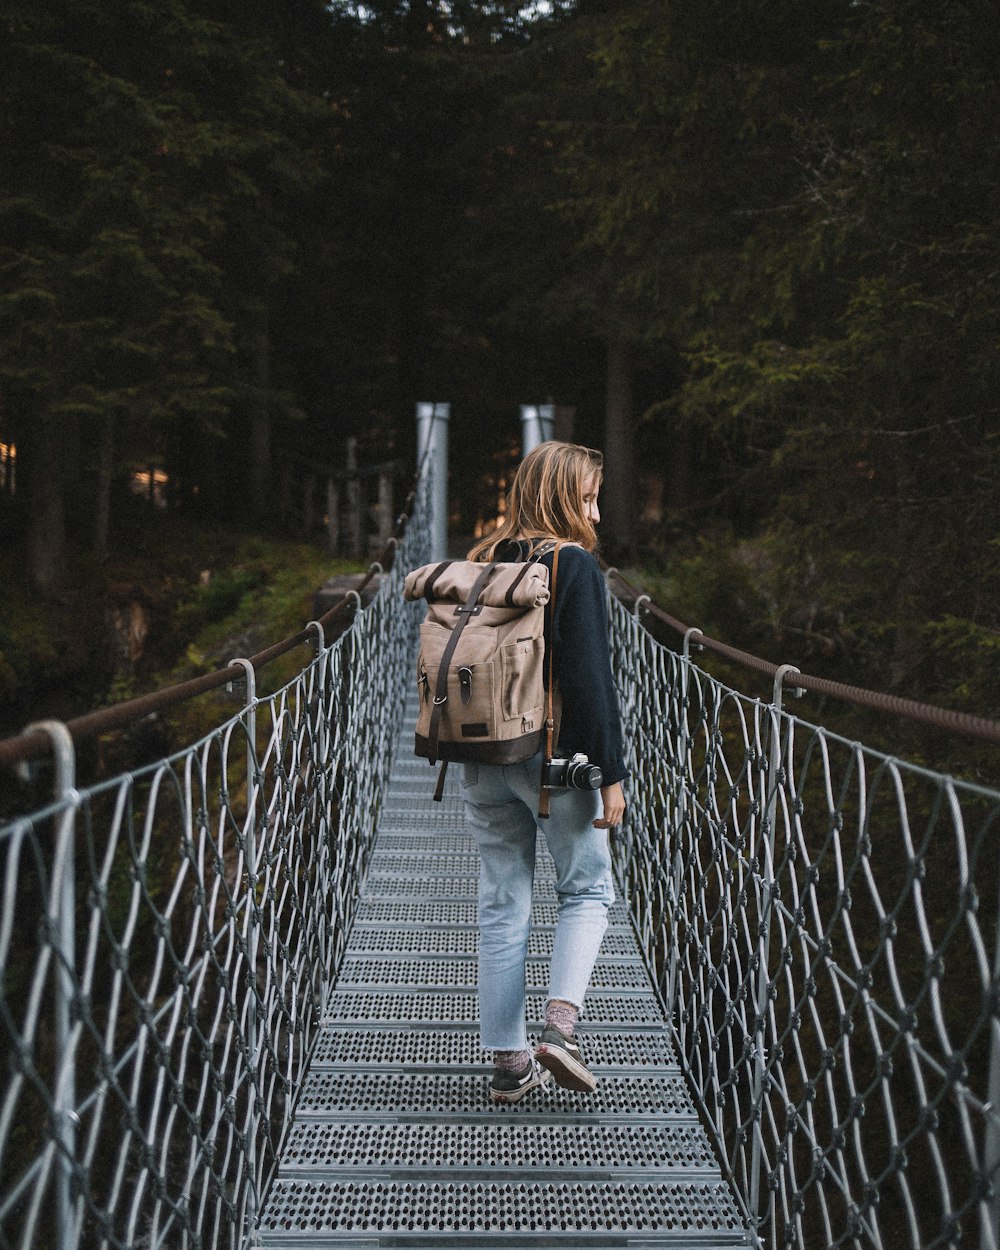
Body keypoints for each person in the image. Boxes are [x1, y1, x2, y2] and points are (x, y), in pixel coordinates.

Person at [463, 440, 628, 1102]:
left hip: (481, 756)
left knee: (503, 899)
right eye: (587, 497)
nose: (595, 511)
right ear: (561, 498)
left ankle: (508, 1063)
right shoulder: (574, 565)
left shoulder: (480, 560)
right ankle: (559, 1031)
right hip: (553, 761)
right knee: (587, 890)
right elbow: (589, 684)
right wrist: (610, 774)